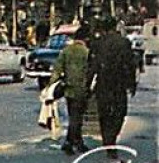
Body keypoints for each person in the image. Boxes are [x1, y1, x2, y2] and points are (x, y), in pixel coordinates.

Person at [87, 15, 137, 152]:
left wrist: (87, 84)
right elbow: (130, 65)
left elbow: (92, 65)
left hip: (103, 82)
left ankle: (107, 140)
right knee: (119, 112)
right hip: (119, 83)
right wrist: (132, 84)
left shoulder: (97, 43)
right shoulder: (124, 42)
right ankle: (112, 138)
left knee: (104, 113)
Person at [51, 24, 90, 154]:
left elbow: (57, 69)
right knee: (77, 118)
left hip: (68, 88)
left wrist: (50, 86)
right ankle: (70, 142)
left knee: (74, 116)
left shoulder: (66, 51)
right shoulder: (86, 52)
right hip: (82, 88)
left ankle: (77, 141)